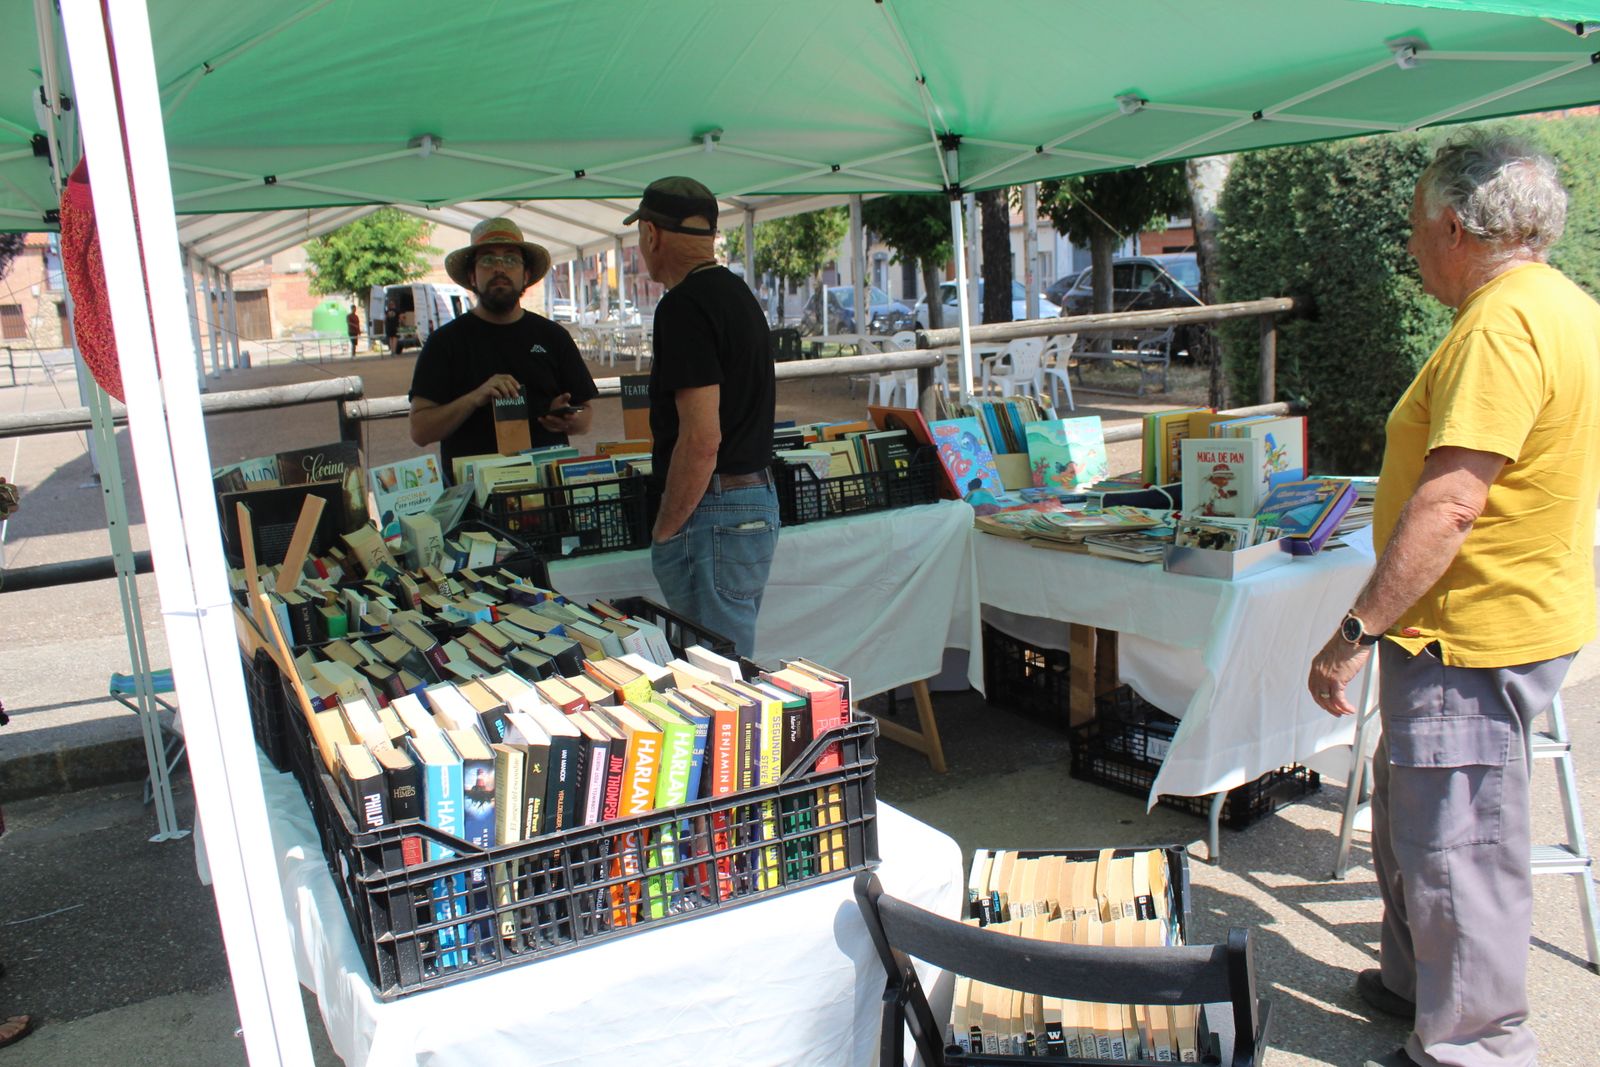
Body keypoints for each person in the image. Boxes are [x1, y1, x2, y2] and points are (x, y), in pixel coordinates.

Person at [1306, 133, 1600, 1067]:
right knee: (1415, 811)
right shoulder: (1563, 305)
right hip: (1504, 612)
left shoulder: (1501, 326)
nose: (1411, 247)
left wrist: (1354, 630)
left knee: (1459, 846)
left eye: (1415, 227)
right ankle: (1414, 982)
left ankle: (1476, 1044)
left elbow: (1451, 504)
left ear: (1455, 228)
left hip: (1470, 631)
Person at [627, 176, 777, 658]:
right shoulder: (736, 293)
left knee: (713, 672)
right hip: (750, 497)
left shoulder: (683, 306)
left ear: (652, 234)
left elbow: (701, 438)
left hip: (714, 507)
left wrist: (666, 528)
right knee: (726, 662)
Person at [408, 219, 597, 483]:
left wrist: (569, 420)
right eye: (487, 260)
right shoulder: (444, 342)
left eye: (510, 259)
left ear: (526, 276)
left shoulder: (554, 337)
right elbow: (420, 431)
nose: (499, 268)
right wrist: (475, 397)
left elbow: (586, 416)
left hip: (546, 492)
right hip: (475, 497)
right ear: (472, 277)